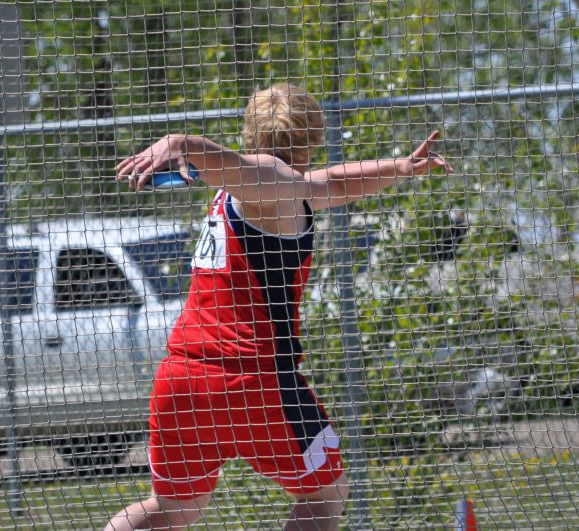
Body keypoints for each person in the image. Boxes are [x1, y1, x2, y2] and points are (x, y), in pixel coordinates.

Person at [106, 83, 451, 530]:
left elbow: (337, 183)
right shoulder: (272, 178)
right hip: (254, 380)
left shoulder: (279, 190)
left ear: (250, 130)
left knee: (173, 510)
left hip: (183, 378)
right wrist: (181, 144)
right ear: (312, 137)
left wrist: (400, 167)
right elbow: (249, 169)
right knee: (325, 497)